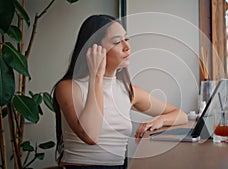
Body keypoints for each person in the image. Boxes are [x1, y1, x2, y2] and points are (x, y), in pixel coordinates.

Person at [51, 14, 188, 169]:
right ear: (94, 49)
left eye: (126, 39)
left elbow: (181, 115)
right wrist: (96, 75)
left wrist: (160, 120)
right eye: (117, 41)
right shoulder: (68, 87)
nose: (127, 46)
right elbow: (91, 135)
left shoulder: (127, 91)